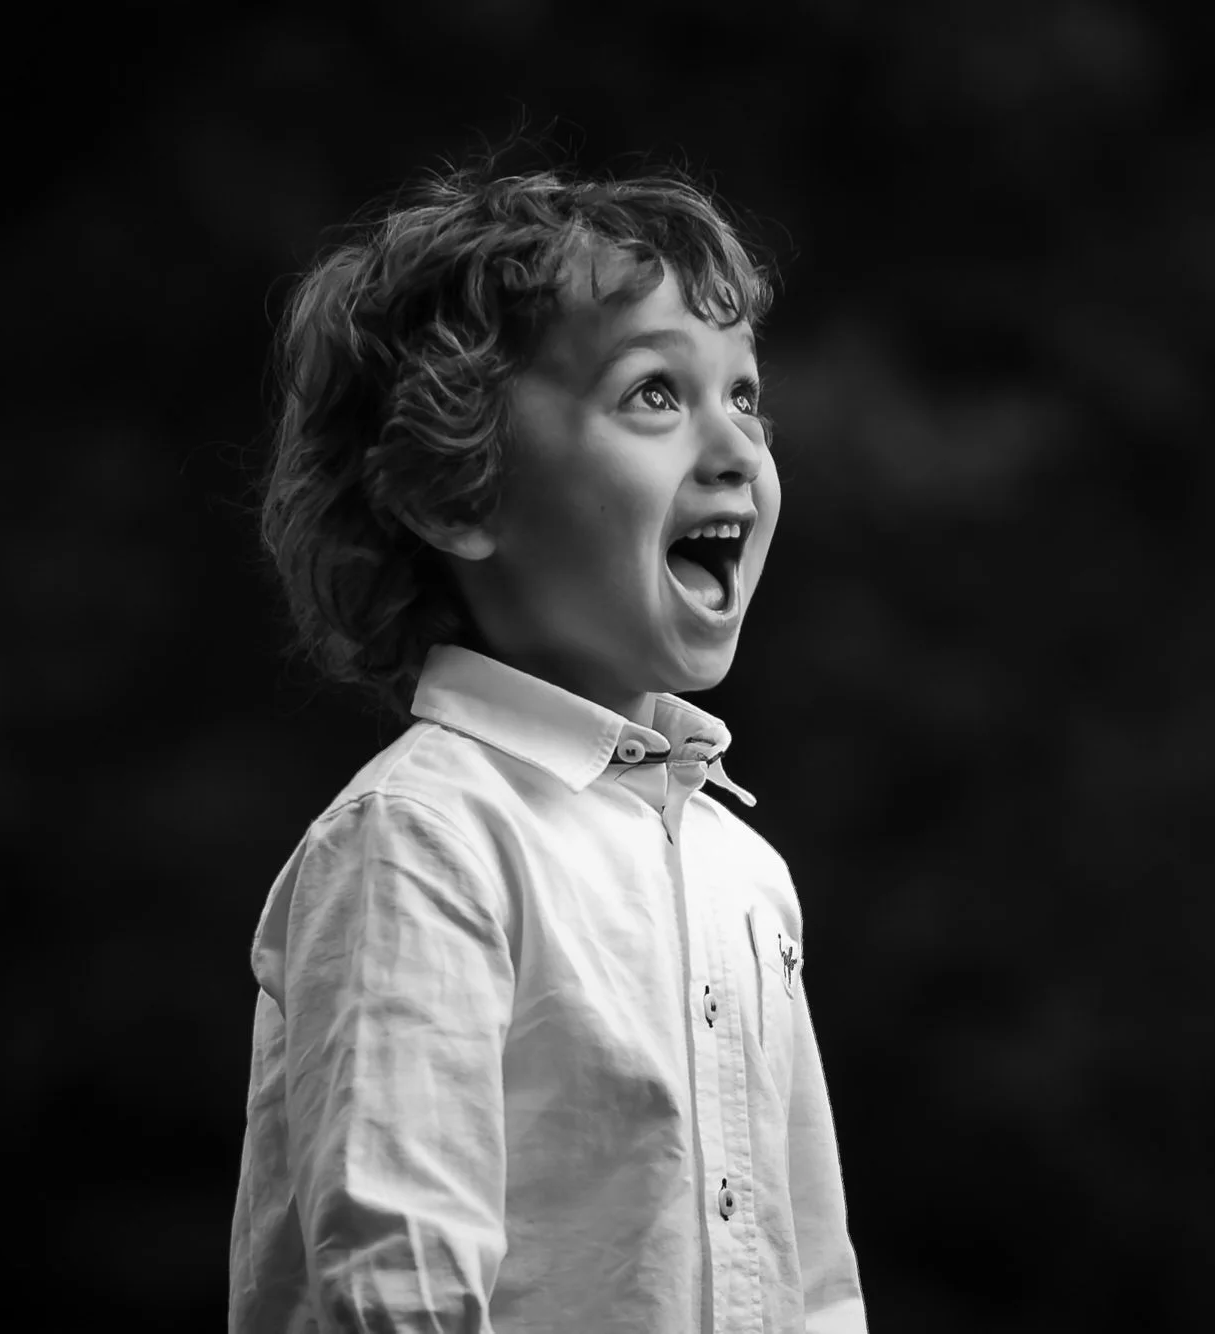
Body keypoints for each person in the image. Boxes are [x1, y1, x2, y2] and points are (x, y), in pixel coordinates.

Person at [228, 160, 867, 1334]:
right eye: (654, 394)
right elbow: (398, 1290)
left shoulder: (744, 875)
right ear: (456, 492)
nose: (735, 446)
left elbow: (812, 1282)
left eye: (744, 394)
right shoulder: (425, 839)